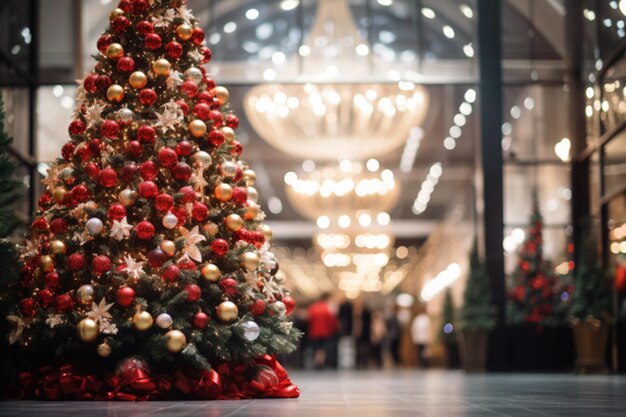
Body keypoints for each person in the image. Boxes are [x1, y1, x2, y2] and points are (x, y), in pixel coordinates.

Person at [307, 292, 339, 369]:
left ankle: (317, 362)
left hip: (314, 331)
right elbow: (332, 320)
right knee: (323, 348)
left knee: (316, 348)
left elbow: (309, 319)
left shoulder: (313, 307)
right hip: (325, 331)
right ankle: (320, 363)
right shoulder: (327, 308)